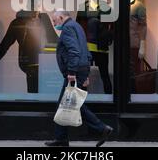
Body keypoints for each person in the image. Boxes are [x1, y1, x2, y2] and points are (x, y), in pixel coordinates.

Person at [45, 10, 113, 147]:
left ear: (61, 17)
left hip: (75, 71)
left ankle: (102, 128)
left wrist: (71, 72)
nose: (54, 24)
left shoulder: (68, 28)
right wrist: (86, 72)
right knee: (68, 103)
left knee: (71, 103)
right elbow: (86, 51)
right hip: (81, 70)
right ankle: (61, 139)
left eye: (54, 21)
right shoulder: (78, 27)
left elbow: (74, 51)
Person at [0, 0, 46, 93]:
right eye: (33, 7)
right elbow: (4, 46)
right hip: (30, 64)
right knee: (34, 93)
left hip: (44, 64)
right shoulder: (18, 23)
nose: (35, 11)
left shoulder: (42, 21)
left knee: (38, 94)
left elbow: (53, 42)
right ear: (28, 6)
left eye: (37, 7)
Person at [76, 0, 113, 94]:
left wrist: (108, 38)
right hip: (87, 48)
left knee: (104, 74)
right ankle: (84, 100)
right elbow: (78, 26)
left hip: (101, 48)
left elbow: (113, 26)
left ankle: (109, 99)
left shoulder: (106, 8)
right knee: (84, 75)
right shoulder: (83, 7)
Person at [129, 0, 148, 93]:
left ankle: (134, 95)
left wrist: (142, 45)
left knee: (135, 71)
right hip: (122, 45)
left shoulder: (139, 6)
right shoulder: (120, 5)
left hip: (134, 44)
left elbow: (143, 26)